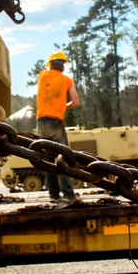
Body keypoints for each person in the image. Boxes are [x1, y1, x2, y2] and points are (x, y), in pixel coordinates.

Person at [36, 50, 81, 203]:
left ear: (50, 65)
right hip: (56, 123)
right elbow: (76, 102)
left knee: (48, 160)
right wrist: (64, 106)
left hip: (41, 123)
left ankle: (53, 195)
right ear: (62, 66)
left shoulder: (42, 75)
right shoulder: (67, 80)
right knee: (63, 159)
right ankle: (68, 195)